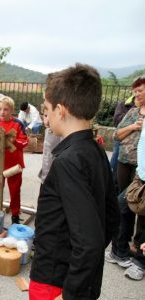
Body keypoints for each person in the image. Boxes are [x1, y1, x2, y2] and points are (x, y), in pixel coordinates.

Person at [29, 64, 120, 299]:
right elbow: (110, 218)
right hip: (76, 277)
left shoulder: (67, 162)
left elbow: (89, 240)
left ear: (61, 110)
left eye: (47, 109)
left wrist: (70, 292)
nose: (45, 118)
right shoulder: (96, 150)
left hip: (55, 281)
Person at [106, 75, 145, 269]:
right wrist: (133, 126)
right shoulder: (133, 113)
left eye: (140, 90)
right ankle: (123, 246)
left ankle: (137, 246)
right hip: (125, 163)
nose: (136, 94)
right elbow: (116, 135)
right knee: (127, 204)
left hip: (141, 169)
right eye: (135, 91)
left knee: (140, 207)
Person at [0, 96, 28, 224]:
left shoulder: (18, 123)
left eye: (6, 109)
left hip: (14, 164)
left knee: (15, 190)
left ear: (12, 110)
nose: (2, 112)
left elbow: (25, 142)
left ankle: (15, 215)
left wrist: (15, 141)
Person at [38, 108, 61, 184]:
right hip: (45, 174)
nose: (47, 120)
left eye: (50, 116)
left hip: (54, 178)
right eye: (45, 115)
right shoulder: (47, 130)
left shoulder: (60, 134)